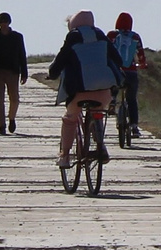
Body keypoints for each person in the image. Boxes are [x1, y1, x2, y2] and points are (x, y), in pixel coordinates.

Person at [47, 10, 119, 169]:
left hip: (79, 91)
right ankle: (101, 146)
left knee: (70, 118)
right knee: (97, 112)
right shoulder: (101, 36)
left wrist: (52, 74)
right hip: (104, 91)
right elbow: (118, 59)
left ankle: (65, 156)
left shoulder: (72, 38)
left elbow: (59, 62)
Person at [0, 12, 29, 134]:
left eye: (5, 21)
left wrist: (24, 73)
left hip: (13, 72)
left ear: (9, 22)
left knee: (14, 98)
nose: (4, 24)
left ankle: (12, 118)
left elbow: (22, 55)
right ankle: (2, 126)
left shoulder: (17, 37)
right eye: (1, 22)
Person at [108, 12, 147, 132]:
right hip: (131, 72)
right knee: (131, 99)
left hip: (116, 71)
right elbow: (140, 54)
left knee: (112, 84)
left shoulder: (111, 35)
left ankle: (112, 101)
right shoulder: (135, 37)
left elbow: (106, 50)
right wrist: (142, 64)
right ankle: (134, 126)